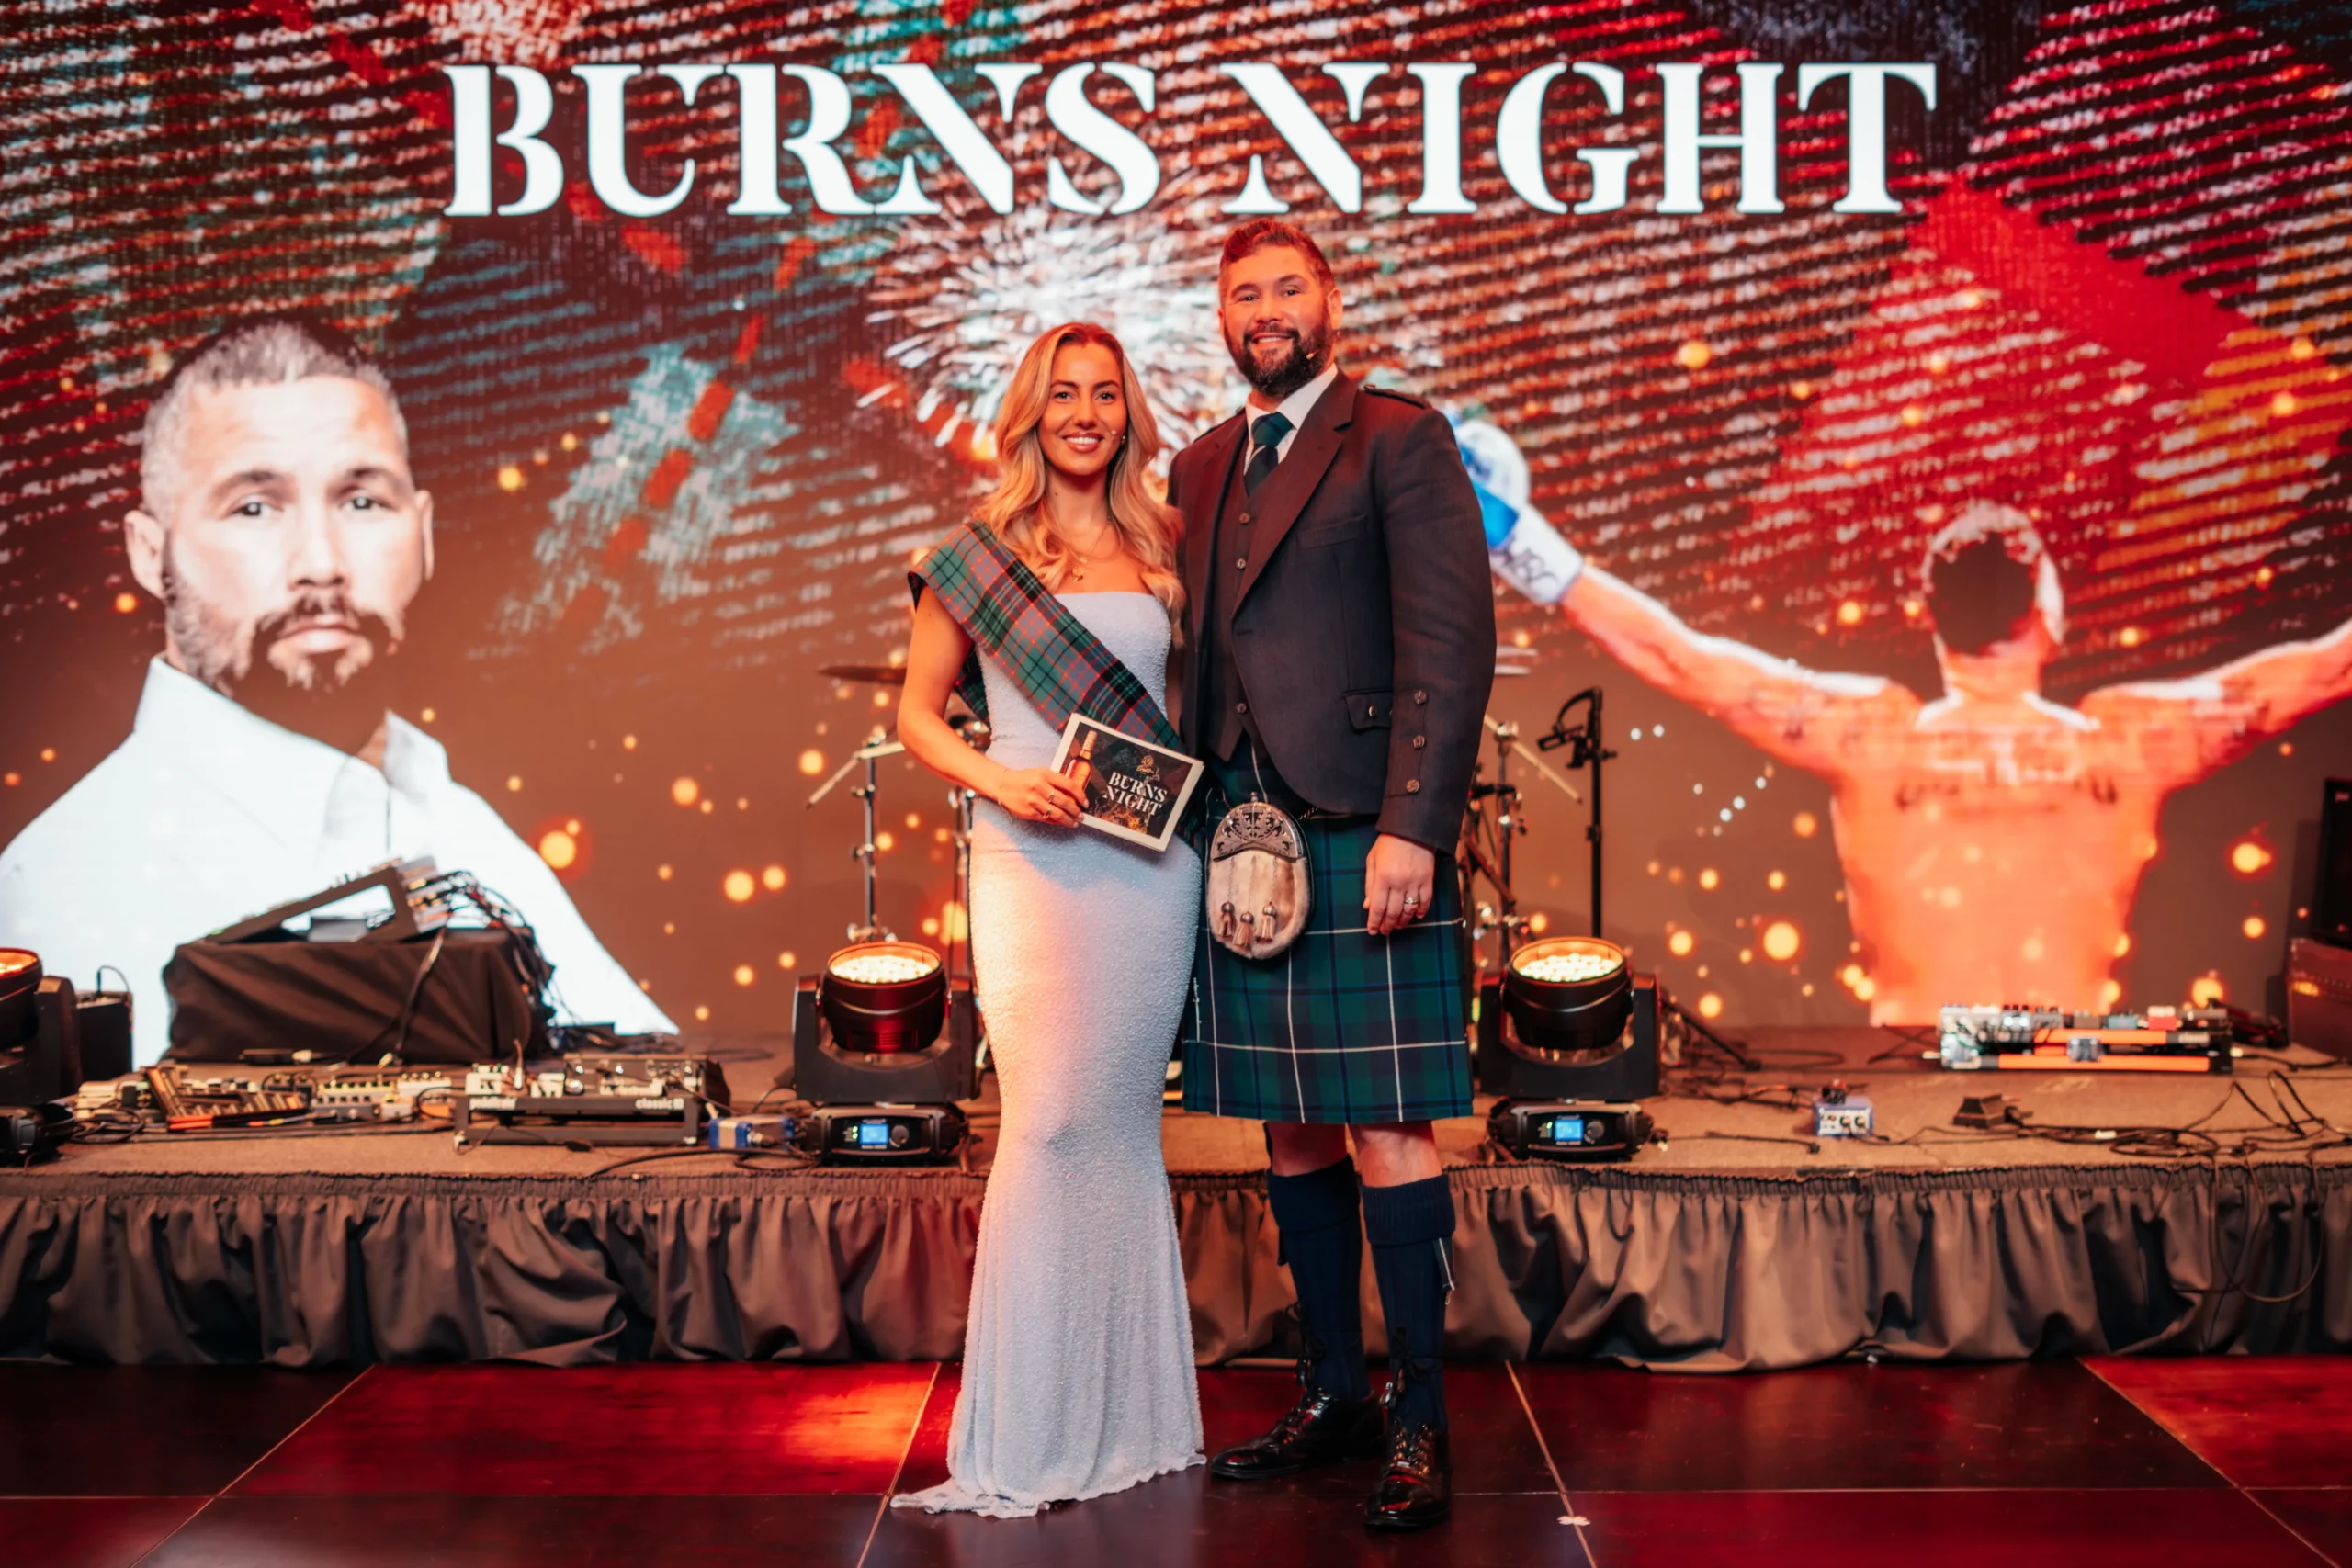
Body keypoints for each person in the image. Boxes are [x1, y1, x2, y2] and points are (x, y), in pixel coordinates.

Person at [0, 316, 673, 1062]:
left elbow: (659, 1095)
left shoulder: (462, 826)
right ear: (150, 553)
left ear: (423, 534)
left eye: (362, 502)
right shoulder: (63, 884)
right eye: (254, 508)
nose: (321, 563)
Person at [1473, 474, 2352, 1022]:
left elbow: (1676, 654)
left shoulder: (1874, 736)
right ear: (2048, 612)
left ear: (1931, 617)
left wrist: (1516, 539)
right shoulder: (2129, 745)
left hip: (1912, 1077)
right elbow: (2326, 668)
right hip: (2068, 1075)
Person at [1174, 220, 1494, 1532]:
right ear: (1221, 316)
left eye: (1288, 287)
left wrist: (1417, 822)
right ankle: (1333, 1392)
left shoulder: (1399, 439)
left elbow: (1450, 643)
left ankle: (1420, 1413)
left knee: (1388, 1127)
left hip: (1367, 824)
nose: (1266, 309)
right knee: (1290, 1126)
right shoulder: (1197, 464)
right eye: (1244, 292)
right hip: (1238, 835)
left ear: (1331, 302)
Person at [890, 322, 1204, 1517]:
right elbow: (920, 716)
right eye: (1063, 393)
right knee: (1049, 1123)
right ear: (1029, 413)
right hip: (1029, 854)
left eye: (1104, 394)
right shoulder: (977, 555)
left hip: (1149, 868)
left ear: (1128, 412)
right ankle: (1026, 1431)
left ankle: (1134, 1420)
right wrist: (1001, 779)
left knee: (1120, 1128)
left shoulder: (1167, 540)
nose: (1085, 413)